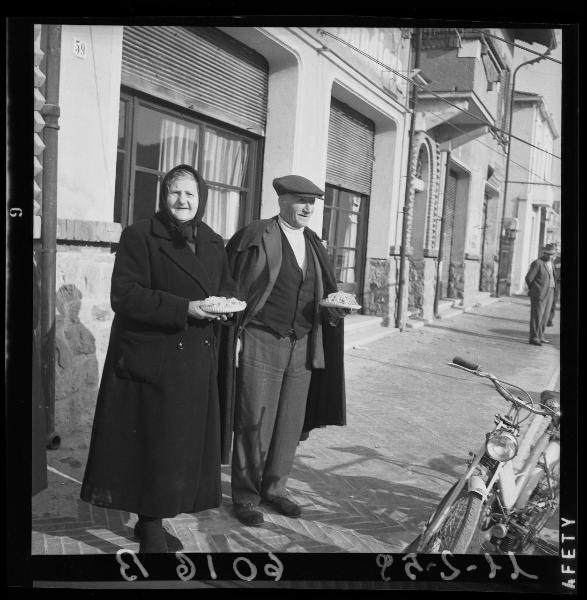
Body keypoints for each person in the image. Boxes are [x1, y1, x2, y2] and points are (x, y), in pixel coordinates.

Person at [81, 164, 236, 552]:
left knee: (179, 445)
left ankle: (159, 515)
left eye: (190, 194)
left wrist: (231, 307)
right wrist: (185, 308)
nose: (182, 200)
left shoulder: (214, 242)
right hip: (153, 357)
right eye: (174, 192)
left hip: (196, 360)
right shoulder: (139, 236)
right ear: (163, 196)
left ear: (201, 199)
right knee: (154, 442)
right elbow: (125, 296)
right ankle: (149, 524)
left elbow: (227, 289)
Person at [217, 174, 348, 527]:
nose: (307, 208)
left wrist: (333, 310)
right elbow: (233, 283)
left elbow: (321, 294)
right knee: (253, 421)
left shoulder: (314, 244)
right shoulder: (256, 235)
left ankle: (275, 489)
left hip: (304, 343)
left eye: (313, 202)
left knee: (289, 422)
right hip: (262, 338)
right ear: (282, 202)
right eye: (300, 200)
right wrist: (235, 332)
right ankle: (245, 495)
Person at [525, 243, 556, 346]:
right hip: (539, 292)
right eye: (548, 254)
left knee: (545, 316)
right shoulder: (537, 263)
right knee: (537, 316)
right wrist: (534, 290)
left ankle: (541, 336)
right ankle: (534, 338)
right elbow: (529, 278)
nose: (550, 256)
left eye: (552, 254)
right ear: (544, 253)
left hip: (550, 291)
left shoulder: (551, 263)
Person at [546, 251, 561, 327]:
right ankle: (544, 318)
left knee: (553, 303)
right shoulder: (546, 260)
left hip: (556, 286)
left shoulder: (559, 259)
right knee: (545, 302)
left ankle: (549, 320)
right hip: (546, 285)